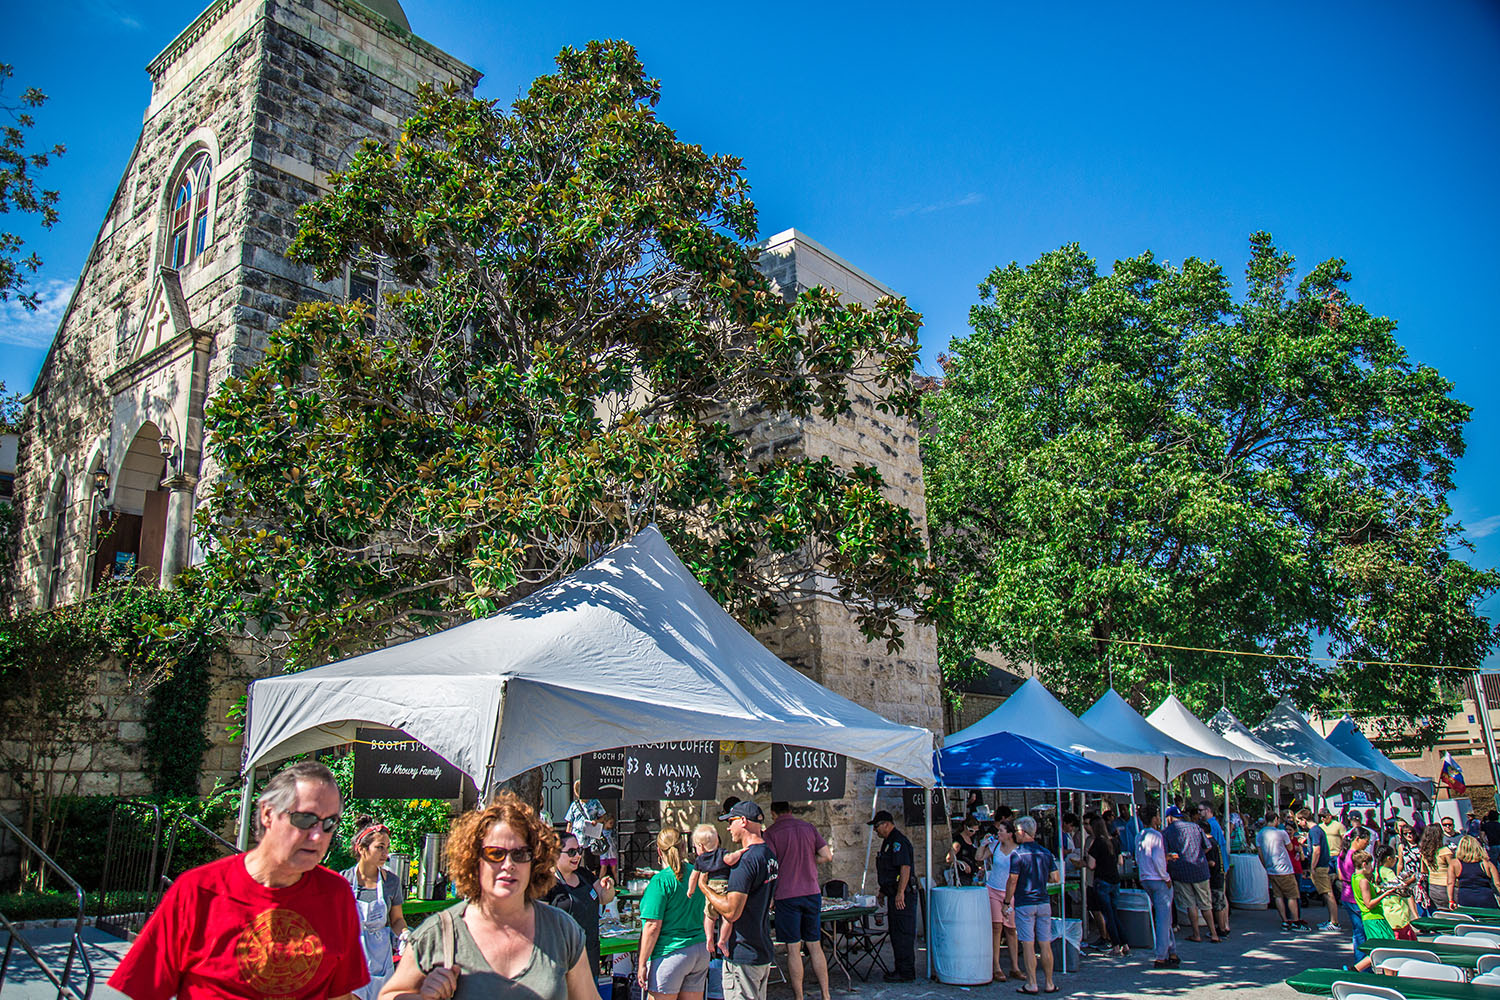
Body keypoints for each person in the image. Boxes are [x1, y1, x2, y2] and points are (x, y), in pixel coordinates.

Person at [109, 760, 368, 1000]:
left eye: (328, 824)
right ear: (268, 814)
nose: (317, 836)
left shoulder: (336, 893)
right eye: (305, 819)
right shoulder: (198, 891)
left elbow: (339, 993)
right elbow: (142, 990)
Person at [381, 792, 595, 1000]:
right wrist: (420, 997)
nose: (508, 865)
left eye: (520, 854)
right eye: (495, 854)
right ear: (474, 860)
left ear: (535, 861)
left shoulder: (562, 931)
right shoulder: (439, 934)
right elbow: (390, 995)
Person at [699, 801, 779, 1000]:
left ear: (743, 821)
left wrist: (705, 889)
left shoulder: (746, 862)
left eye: (731, 821)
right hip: (761, 948)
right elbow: (769, 902)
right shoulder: (769, 855)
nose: (728, 827)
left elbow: (732, 911)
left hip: (743, 953)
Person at [761, 802, 834, 1000]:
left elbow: (771, 867)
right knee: (815, 945)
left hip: (787, 894)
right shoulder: (808, 827)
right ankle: (826, 995)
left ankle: (799, 997)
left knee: (794, 949)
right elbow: (827, 855)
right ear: (791, 811)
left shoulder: (771, 833)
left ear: (773, 813)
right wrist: (811, 860)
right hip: (811, 891)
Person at [637, 827, 709, 1000]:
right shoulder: (698, 874)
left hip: (670, 952)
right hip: (699, 949)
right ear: (684, 846)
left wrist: (642, 963)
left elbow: (652, 926)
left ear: (658, 851)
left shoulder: (661, 881)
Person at [343, 817, 411, 1000]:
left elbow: (396, 919)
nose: (385, 853)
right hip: (351, 959)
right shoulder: (343, 882)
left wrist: (404, 934)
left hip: (380, 959)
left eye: (387, 847)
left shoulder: (391, 883)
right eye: (380, 847)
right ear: (362, 849)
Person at [543, 832, 617, 979]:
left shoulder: (584, 874)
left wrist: (609, 887)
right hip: (563, 963)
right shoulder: (546, 884)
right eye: (571, 852)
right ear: (555, 853)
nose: (577, 856)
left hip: (590, 957)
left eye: (579, 851)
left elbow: (604, 898)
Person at [1007, 815, 1059, 994]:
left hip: (1025, 902)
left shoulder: (1018, 854)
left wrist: (1007, 901)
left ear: (1022, 832)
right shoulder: (1046, 852)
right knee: (1045, 943)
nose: (1015, 835)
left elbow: (1012, 880)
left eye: (1016, 831)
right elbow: (1055, 877)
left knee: (1028, 944)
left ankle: (1032, 983)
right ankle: (1050, 982)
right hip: (1043, 901)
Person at [869, 810, 917, 983]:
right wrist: (883, 891)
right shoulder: (888, 842)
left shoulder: (898, 842)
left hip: (902, 896)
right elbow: (888, 870)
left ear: (887, 824)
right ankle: (900, 968)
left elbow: (905, 868)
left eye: (877, 826)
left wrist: (900, 893)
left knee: (903, 933)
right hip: (893, 893)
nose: (875, 830)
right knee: (896, 933)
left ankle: (906, 972)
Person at [689, 823, 743, 957]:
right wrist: (741, 852)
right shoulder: (722, 853)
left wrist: (690, 890)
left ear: (700, 846)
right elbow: (730, 860)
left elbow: (694, 876)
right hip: (724, 888)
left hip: (711, 887)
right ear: (717, 841)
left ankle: (709, 937)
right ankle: (723, 940)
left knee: (708, 915)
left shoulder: (700, 860)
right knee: (727, 918)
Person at [978, 818, 1021, 979]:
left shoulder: (1018, 850)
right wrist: (983, 844)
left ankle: (1015, 966)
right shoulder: (995, 846)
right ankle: (996, 966)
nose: (998, 833)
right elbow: (979, 857)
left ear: (1010, 834)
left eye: (1001, 831)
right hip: (993, 889)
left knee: (1011, 929)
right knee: (996, 927)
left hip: (1010, 891)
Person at [1164, 808, 1216, 943]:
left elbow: (1166, 854)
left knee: (1190, 904)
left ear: (1169, 818)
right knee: (1206, 903)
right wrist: (1199, 855)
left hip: (1181, 871)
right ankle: (1214, 933)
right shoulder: (1196, 827)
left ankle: (1196, 934)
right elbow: (1208, 846)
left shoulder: (1167, 832)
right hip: (1200, 869)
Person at [1136, 805, 1178, 969]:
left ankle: (1172, 950)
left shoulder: (1139, 835)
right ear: (1154, 818)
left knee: (1164, 916)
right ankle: (1161, 956)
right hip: (1158, 878)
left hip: (1145, 877)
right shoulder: (1157, 835)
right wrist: (1165, 877)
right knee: (1163, 918)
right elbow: (1157, 859)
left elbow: (1141, 857)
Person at [1256, 811, 1306, 932]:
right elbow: (1289, 847)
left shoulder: (1260, 834)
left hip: (1271, 868)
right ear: (1276, 820)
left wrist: (1265, 866)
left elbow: (1260, 853)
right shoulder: (1281, 833)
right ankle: (1295, 921)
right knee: (1292, 895)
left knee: (1278, 895)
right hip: (1284, 868)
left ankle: (1284, 920)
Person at [1084, 815, 1126, 956]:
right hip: (1115, 880)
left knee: (1107, 915)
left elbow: (1091, 865)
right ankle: (1124, 944)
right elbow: (1120, 861)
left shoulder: (1097, 843)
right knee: (1114, 913)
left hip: (1102, 881)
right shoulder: (1114, 841)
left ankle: (1115, 945)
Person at [1295, 809, 1339, 931]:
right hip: (1322, 865)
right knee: (1326, 893)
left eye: (1299, 821)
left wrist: (1312, 867)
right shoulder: (1317, 830)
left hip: (1320, 866)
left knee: (1328, 893)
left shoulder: (1314, 831)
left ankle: (1334, 922)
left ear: (1304, 820)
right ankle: (1332, 920)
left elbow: (1317, 850)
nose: (1298, 824)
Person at [1337, 826, 1372, 966]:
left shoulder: (1343, 854)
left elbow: (1340, 875)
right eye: (1366, 841)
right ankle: (1363, 965)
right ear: (1358, 839)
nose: (1368, 844)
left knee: (1358, 933)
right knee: (1364, 932)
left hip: (1347, 894)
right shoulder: (1356, 856)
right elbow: (1363, 876)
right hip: (1356, 896)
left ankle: (1361, 964)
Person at [1447, 834, 1500, 909]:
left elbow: (1450, 883)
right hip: (1486, 898)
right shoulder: (1486, 863)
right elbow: (1497, 884)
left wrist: (1451, 900)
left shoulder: (1454, 864)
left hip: (1465, 898)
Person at [1198, 817, 1230, 940]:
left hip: (1215, 876)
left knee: (1217, 904)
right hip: (1220, 874)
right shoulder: (1215, 842)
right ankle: (1222, 928)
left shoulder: (1209, 844)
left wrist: (1201, 861)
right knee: (1220, 903)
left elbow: (1212, 863)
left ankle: (1221, 929)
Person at [1394, 822, 1429, 918]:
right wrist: (1398, 877)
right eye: (1406, 834)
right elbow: (1400, 862)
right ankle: (1415, 916)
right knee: (1410, 895)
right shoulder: (1402, 847)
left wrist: (1422, 874)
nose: (1409, 835)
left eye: (1410, 833)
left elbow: (1423, 861)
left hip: (1419, 873)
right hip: (1408, 873)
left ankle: (1423, 916)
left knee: (1421, 896)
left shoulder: (1420, 846)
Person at [1419, 823, 1455, 911]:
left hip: (1433, 887)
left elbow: (1423, 870)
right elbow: (1454, 869)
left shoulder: (1424, 852)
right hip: (1447, 886)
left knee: (1441, 913)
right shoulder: (1445, 851)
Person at [565, 781, 606, 854]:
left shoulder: (595, 802)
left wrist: (597, 821)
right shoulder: (574, 805)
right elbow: (570, 823)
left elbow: (603, 817)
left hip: (592, 837)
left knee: (591, 860)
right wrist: (567, 836)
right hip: (577, 837)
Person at [949, 816, 981, 885]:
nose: (973, 833)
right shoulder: (958, 841)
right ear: (965, 827)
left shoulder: (972, 839)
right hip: (962, 876)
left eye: (976, 831)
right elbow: (949, 858)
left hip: (973, 874)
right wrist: (961, 863)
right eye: (971, 830)